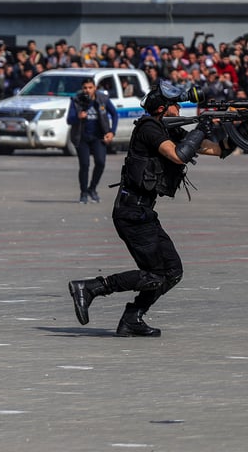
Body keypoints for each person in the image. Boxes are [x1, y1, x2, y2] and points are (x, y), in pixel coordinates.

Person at [68, 83, 230, 337]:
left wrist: (234, 126)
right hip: (131, 213)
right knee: (155, 274)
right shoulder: (149, 128)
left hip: (143, 213)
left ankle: (132, 319)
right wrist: (201, 127)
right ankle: (91, 288)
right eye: (176, 105)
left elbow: (216, 148)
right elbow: (178, 155)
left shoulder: (164, 128)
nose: (179, 109)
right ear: (163, 108)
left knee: (173, 272)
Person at [66, 79, 117, 204]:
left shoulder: (102, 99)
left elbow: (115, 114)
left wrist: (111, 132)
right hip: (82, 138)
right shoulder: (76, 100)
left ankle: (92, 189)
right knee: (84, 165)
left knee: (100, 162)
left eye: (90, 87)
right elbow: (69, 119)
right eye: (85, 88)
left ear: (95, 88)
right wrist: (77, 117)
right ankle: (83, 192)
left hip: (99, 137)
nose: (87, 90)